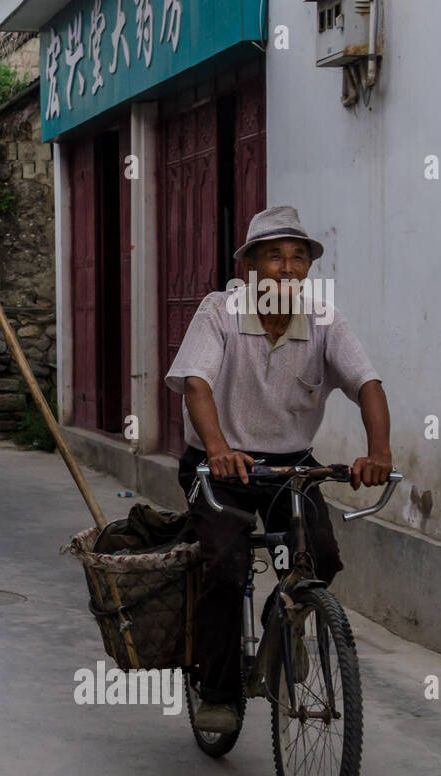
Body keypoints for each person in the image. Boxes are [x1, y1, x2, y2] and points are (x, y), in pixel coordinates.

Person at [164, 206, 393, 733]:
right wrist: (219, 446)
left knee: (321, 557)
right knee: (225, 564)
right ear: (251, 265)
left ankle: (285, 623)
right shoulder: (218, 311)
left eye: (298, 257)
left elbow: (368, 385)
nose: (287, 268)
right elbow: (196, 383)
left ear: (308, 268)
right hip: (219, 466)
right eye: (274, 257)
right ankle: (218, 689)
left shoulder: (324, 320)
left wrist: (378, 452)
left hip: (291, 468)